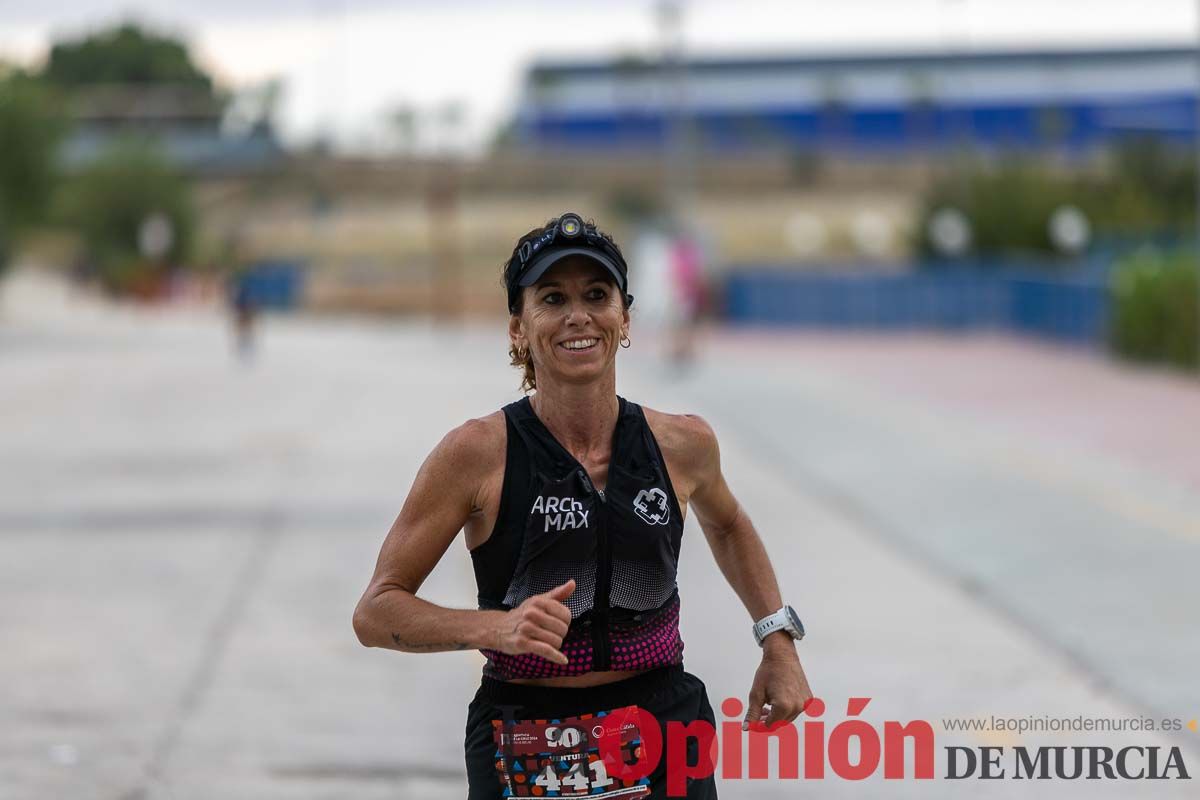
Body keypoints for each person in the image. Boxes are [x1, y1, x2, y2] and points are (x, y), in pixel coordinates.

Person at [352, 213, 813, 799]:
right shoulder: (476, 455)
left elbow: (728, 524)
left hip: (662, 725)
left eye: (597, 295)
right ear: (519, 327)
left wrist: (778, 642)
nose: (579, 315)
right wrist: (494, 627)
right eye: (552, 298)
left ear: (624, 318)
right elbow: (376, 611)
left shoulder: (682, 445)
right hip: (525, 735)